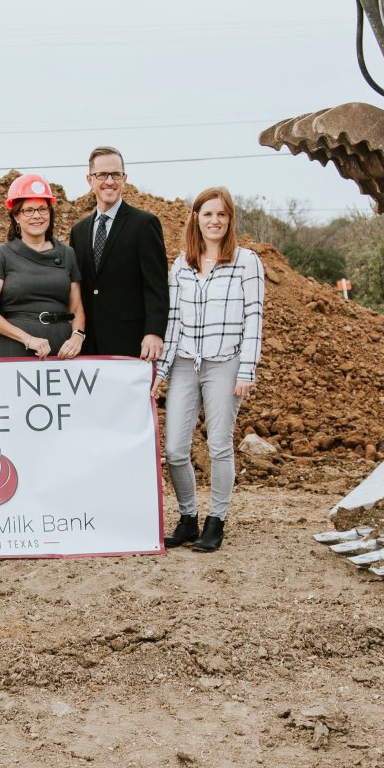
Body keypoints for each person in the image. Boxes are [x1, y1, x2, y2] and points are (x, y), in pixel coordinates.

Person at [156, 187, 265, 553]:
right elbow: (173, 321)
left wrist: (246, 369)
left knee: (219, 445)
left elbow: (254, 317)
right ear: (196, 219)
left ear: (230, 219)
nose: (214, 221)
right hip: (185, 363)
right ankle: (188, 518)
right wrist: (161, 371)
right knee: (175, 449)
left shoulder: (246, 262)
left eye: (221, 214)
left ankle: (216, 520)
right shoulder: (181, 264)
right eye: (207, 214)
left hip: (225, 363)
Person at [68, 146, 170, 360]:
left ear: (124, 179)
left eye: (116, 174)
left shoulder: (144, 224)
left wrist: (154, 332)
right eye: (102, 175)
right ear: (90, 180)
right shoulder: (79, 231)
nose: (110, 181)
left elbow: (156, 285)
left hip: (130, 342)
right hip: (89, 345)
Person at [0, 174, 86, 359]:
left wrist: (77, 336)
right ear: (16, 216)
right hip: (15, 348)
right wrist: (27, 339)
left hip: (61, 350)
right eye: (28, 210)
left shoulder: (67, 254)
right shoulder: (1, 254)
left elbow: (76, 308)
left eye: (43, 209)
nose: (37, 215)